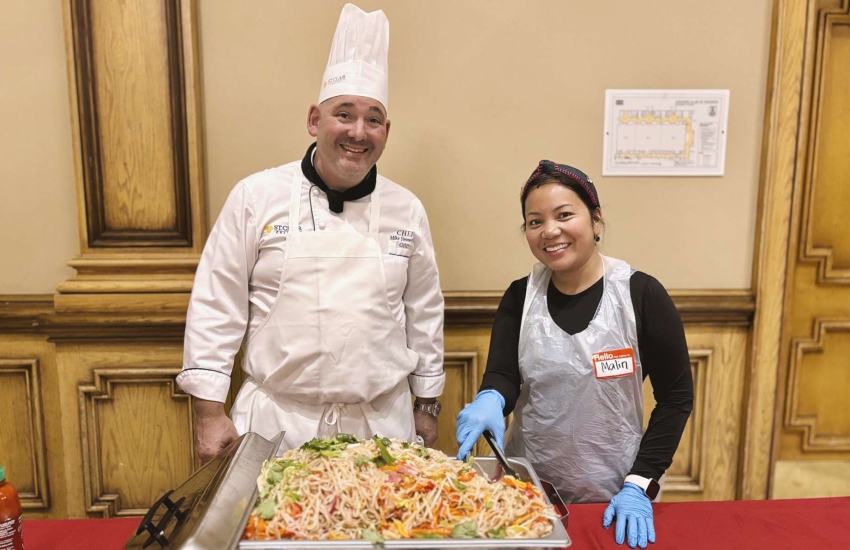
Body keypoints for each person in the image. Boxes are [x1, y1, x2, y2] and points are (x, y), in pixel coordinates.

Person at [177, 4, 444, 463]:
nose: (358, 132)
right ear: (314, 120)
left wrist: (427, 403)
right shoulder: (255, 196)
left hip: (381, 426)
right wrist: (207, 412)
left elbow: (424, 314)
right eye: (344, 113)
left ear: (386, 131)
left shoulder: (408, 209)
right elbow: (215, 303)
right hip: (275, 426)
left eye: (373, 118)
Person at [455, 160, 693, 549]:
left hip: (616, 495)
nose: (550, 231)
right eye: (535, 222)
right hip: (527, 491)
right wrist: (490, 399)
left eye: (564, 215)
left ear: (596, 221)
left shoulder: (641, 295)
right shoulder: (521, 296)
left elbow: (676, 398)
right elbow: (503, 374)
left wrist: (640, 482)